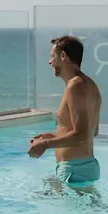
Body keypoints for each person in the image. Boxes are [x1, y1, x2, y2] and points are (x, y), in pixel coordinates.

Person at [28, 35, 102, 191]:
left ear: (63, 56)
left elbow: (82, 134)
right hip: (81, 168)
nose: (50, 62)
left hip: (74, 171)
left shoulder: (75, 86)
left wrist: (45, 144)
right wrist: (53, 136)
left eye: (52, 56)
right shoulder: (89, 85)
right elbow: (92, 131)